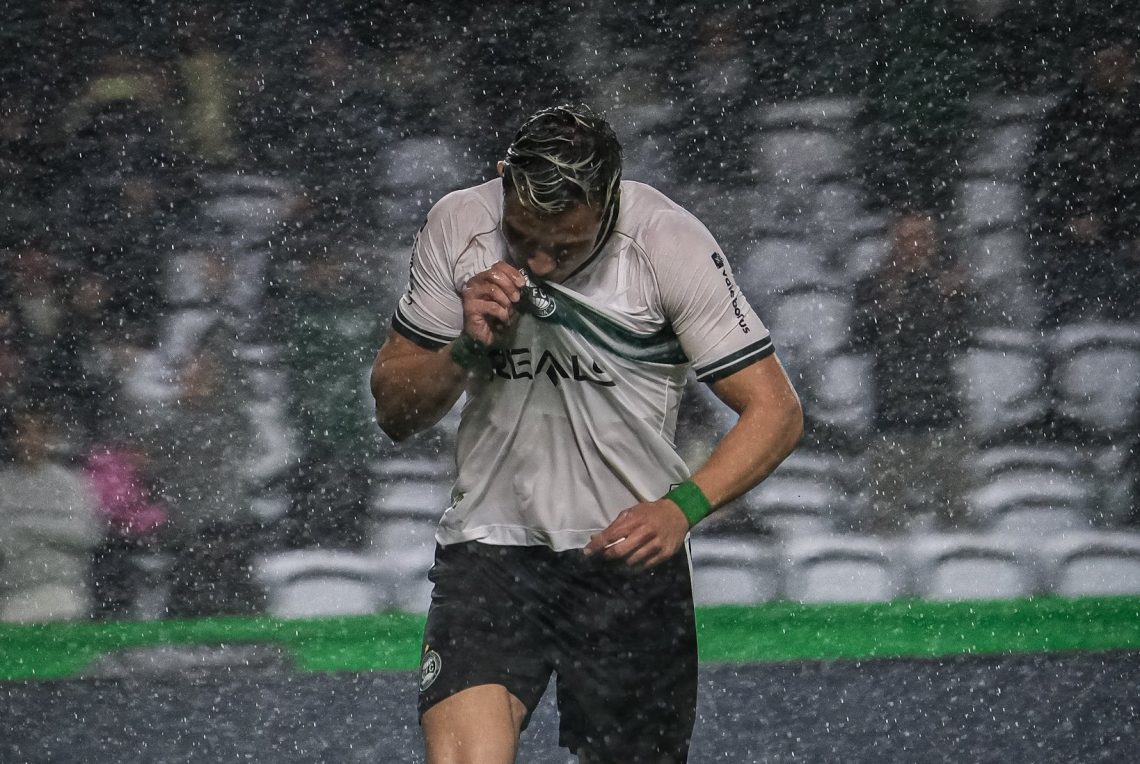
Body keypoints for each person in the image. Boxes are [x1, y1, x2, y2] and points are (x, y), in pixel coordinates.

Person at [370, 105, 803, 764]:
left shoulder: (668, 243)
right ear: (502, 181)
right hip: (494, 552)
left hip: (626, 561)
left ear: (610, 201)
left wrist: (681, 508)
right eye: (523, 237)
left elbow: (776, 410)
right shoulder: (460, 225)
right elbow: (394, 412)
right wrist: (461, 349)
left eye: (566, 244)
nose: (540, 261)